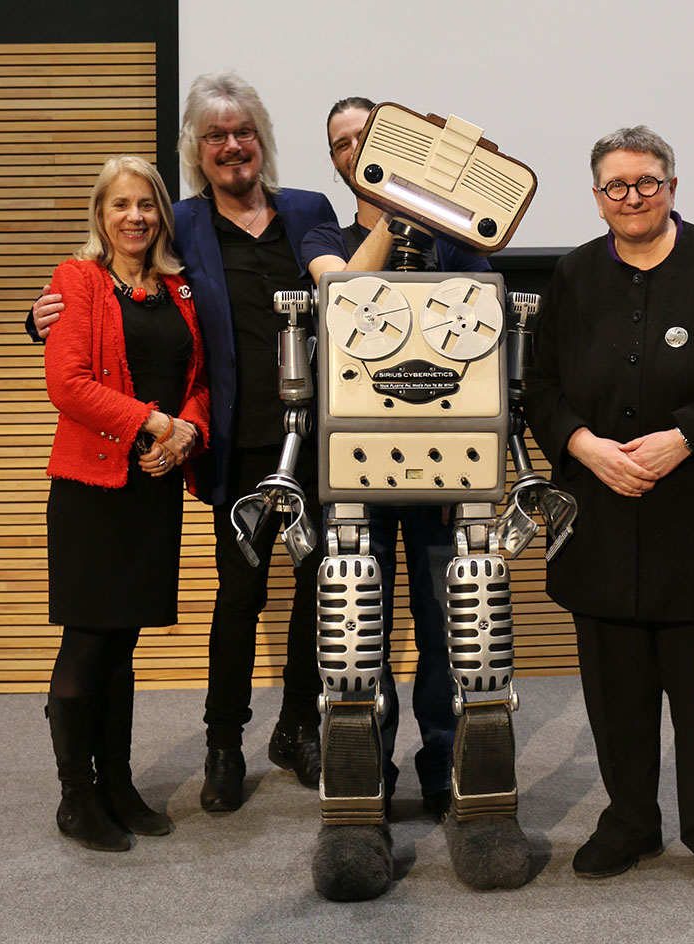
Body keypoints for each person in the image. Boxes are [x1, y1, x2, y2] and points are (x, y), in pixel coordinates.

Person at [32, 71, 338, 813]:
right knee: (240, 594)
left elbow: (349, 287)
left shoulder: (308, 209)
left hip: (323, 437)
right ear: (196, 153)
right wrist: (34, 315)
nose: (231, 146)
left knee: (316, 591)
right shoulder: (186, 224)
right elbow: (110, 276)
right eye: (214, 136)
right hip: (238, 445)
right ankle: (224, 742)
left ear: (261, 140)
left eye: (243, 133)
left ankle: (298, 727)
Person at [523, 126, 694, 894]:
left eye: (647, 182)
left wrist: (685, 439)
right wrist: (584, 446)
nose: (631, 197)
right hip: (601, 517)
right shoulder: (571, 274)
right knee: (616, 692)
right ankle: (630, 821)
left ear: (673, 186)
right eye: (616, 185)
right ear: (597, 194)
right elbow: (540, 386)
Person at [299, 97, 491, 819]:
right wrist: (395, 210)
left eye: (366, 137)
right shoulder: (324, 230)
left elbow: (487, 317)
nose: (353, 149)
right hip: (354, 468)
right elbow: (343, 291)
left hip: (445, 465)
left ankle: (443, 767)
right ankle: (365, 768)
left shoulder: (457, 237)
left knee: (447, 623)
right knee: (359, 626)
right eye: (342, 144)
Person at [43, 155, 210, 851]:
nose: (135, 216)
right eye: (121, 205)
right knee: (87, 641)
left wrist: (189, 432)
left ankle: (117, 781)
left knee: (125, 643)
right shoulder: (77, 280)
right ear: (100, 215)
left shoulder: (180, 288)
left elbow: (197, 377)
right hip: (92, 488)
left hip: (154, 485)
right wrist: (153, 423)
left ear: (161, 214)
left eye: (146, 204)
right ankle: (76, 796)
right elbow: (69, 385)